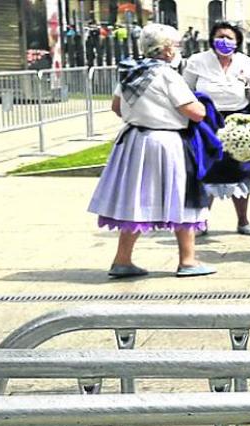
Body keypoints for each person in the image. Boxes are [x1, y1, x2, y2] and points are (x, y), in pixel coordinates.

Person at [87, 23, 216, 278]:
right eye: (176, 45)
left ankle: (122, 259)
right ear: (167, 50)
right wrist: (202, 105)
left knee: (136, 199)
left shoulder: (130, 73)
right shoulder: (168, 75)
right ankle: (188, 260)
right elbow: (193, 111)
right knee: (181, 196)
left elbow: (116, 106)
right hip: (166, 143)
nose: (178, 50)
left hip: (135, 141)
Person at [184, 21, 250, 235]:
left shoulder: (246, 63)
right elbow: (184, 92)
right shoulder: (197, 61)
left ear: (237, 41)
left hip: (240, 121)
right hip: (207, 123)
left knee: (241, 171)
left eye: (229, 37)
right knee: (207, 171)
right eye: (220, 36)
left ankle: (243, 221)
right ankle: (201, 221)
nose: (224, 41)